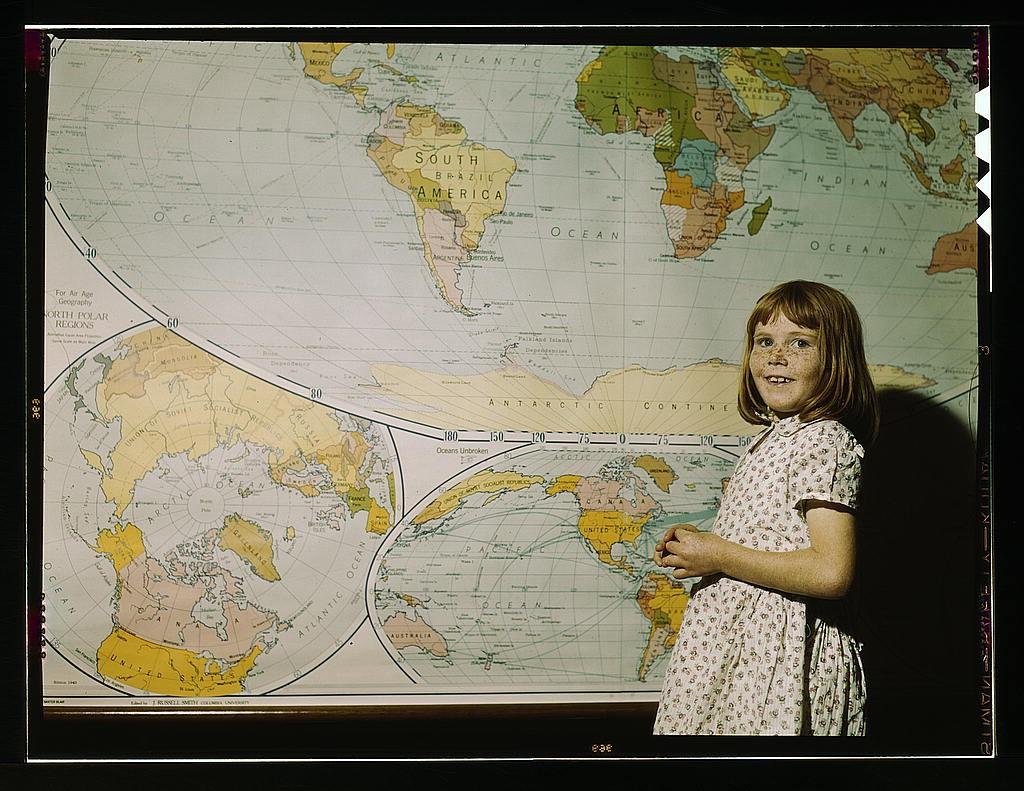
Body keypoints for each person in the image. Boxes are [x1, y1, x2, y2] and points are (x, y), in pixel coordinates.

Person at [652, 280, 879, 736]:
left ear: (834, 360)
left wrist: (718, 555)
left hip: (780, 661)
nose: (777, 355)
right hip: (739, 653)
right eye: (764, 341)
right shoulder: (770, 438)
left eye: (800, 342)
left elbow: (832, 573)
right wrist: (701, 546)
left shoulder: (825, 439)